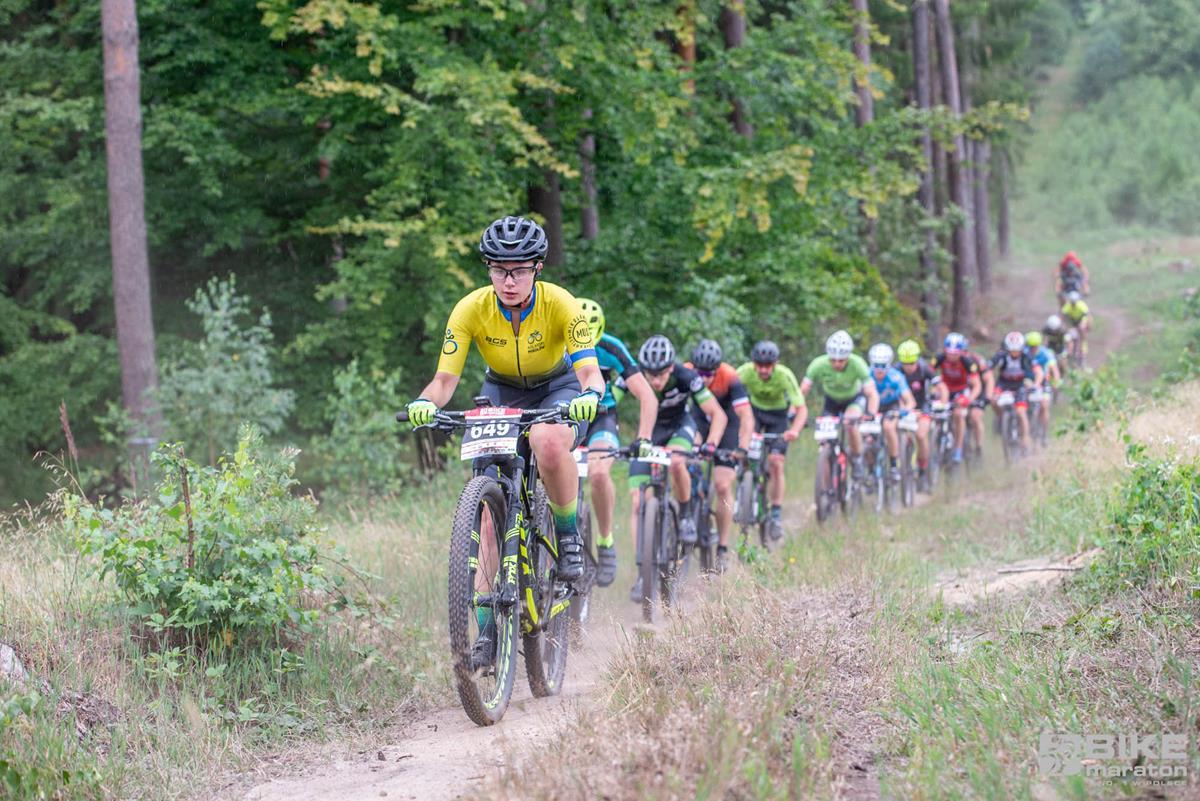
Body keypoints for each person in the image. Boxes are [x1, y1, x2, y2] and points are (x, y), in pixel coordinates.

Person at [405, 215, 605, 666]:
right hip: (501, 390)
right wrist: (423, 402)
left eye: (518, 271)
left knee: (547, 441)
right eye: (498, 270)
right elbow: (443, 381)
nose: (508, 281)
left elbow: (590, 372)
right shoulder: (470, 309)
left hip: (557, 387)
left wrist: (590, 396)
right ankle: (486, 631)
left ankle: (568, 536)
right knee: (489, 517)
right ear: (488, 269)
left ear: (537, 268)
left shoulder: (562, 304)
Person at [629, 335, 727, 601]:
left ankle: (684, 516)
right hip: (649, 433)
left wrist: (711, 443)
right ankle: (642, 573)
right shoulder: (633, 376)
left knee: (675, 462)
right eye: (650, 374)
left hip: (679, 429)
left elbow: (717, 414)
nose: (655, 380)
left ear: (671, 367)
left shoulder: (687, 377)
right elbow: (607, 402)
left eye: (661, 374)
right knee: (637, 501)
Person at [574, 298, 658, 587]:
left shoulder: (611, 347)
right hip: (564, 416)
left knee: (598, 473)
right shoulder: (553, 342)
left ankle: (605, 539)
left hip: (602, 417)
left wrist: (644, 438)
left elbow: (647, 395)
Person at [687, 339, 754, 570]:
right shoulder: (687, 372)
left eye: (708, 374)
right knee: (687, 458)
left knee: (723, 485)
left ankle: (723, 548)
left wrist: (743, 447)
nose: (703, 378)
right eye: (699, 373)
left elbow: (746, 415)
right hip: (699, 420)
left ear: (717, 370)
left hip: (728, 425)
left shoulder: (729, 376)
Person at [735, 340, 808, 533]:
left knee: (776, 463)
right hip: (755, 413)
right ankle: (744, 487)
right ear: (753, 363)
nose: (763, 370)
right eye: (759, 365)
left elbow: (801, 409)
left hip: (778, 416)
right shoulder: (744, 372)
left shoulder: (784, 375)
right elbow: (729, 395)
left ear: (775, 364)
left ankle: (775, 513)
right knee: (744, 450)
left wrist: (795, 430)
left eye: (768, 366)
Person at [799, 331, 878, 479]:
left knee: (849, 423)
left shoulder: (858, 363)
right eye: (833, 360)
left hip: (854, 400)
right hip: (831, 402)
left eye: (841, 360)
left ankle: (857, 458)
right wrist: (795, 412)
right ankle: (826, 482)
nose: (837, 364)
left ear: (848, 356)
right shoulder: (818, 364)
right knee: (824, 442)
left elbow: (872, 392)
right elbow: (802, 391)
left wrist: (871, 412)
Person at [867, 343, 917, 485]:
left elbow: (910, 401)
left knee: (889, 428)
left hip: (891, 406)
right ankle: (870, 470)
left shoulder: (896, 377)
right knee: (867, 437)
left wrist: (903, 411)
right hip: (872, 407)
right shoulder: (866, 375)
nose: (879, 370)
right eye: (876, 365)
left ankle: (894, 464)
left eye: (883, 366)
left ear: (889, 365)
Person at [930, 332, 983, 464]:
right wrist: (932, 391)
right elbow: (929, 375)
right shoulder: (939, 358)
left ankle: (958, 449)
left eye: (955, 354)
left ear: (961, 352)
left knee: (958, 415)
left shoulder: (967, 362)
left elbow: (977, 385)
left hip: (961, 391)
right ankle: (936, 440)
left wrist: (969, 399)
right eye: (949, 353)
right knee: (935, 412)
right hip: (945, 390)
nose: (951, 356)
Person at [895, 339, 939, 490]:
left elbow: (939, 385)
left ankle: (923, 468)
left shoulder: (925, 369)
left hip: (923, 407)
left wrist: (939, 398)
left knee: (921, 435)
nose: (908, 367)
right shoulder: (895, 370)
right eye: (905, 363)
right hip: (903, 408)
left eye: (911, 363)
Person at [989, 331, 1042, 453]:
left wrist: (1036, 384)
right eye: (1011, 350)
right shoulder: (1001, 356)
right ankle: (1001, 418)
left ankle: (1025, 438)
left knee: (1021, 412)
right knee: (994, 401)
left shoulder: (1026, 356)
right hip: (1003, 384)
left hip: (1019, 385)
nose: (1014, 352)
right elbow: (988, 369)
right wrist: (990, 385)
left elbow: (1038, 371)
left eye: (1017, 350)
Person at [1026, 330, 1060, 440]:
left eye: (1035, 346)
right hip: (1027, 381)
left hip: (1044, 382)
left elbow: (1054, 370)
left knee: (1044, 406)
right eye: (1031, 346)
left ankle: (1044, 432)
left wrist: (1056, 382)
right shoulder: (1025, 353)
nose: (1033, 349)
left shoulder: (1046, 353)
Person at [1061, 290, 1091, 363]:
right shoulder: (1068, 306)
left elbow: (1088, 316)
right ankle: (1070, 350)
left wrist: (1088, 325)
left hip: (1081, 320)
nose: (1073, 304)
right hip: (1072, 322)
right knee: (1069, 334)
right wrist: (1065, 326)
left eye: (1074, 302)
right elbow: (1063, 315)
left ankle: (1083, 347)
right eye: (1072, 302)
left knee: (1081, 329)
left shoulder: (1082, 305)